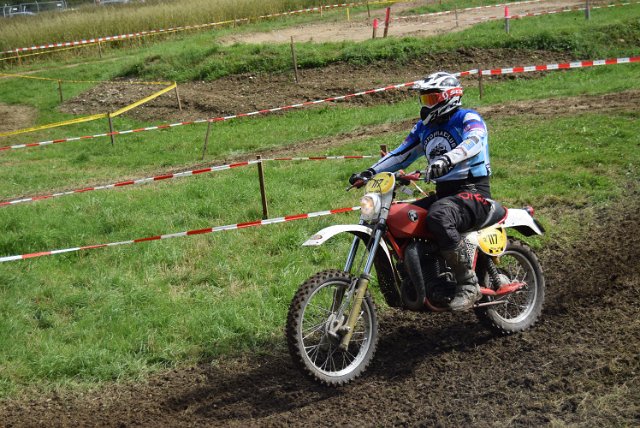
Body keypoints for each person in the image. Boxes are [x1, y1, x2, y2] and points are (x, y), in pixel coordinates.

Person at [349, 71, 494, 311]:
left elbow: (474, 140)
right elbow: (401, 154)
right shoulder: (424, 128)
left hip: (473, 192)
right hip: (445, 194)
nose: (426, 104)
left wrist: (448, 159)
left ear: (449, 97)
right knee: (397, 217)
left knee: (439, 216)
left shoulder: (467, 118)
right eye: (424, 99)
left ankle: (468, 284)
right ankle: (423, 278)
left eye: (431, 98)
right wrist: (369, 172)